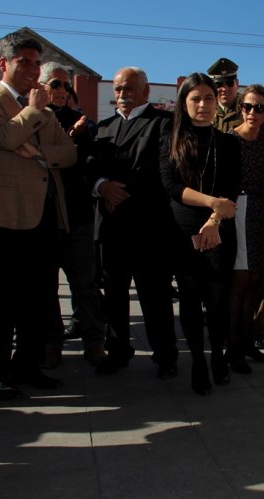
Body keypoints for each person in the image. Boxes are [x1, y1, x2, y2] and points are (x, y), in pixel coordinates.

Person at [0, 33, 76, 400]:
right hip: (0, 219)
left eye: (35, 62)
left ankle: (27, 366)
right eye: (24, 62)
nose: (32, 70)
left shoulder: (43, 111)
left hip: (43, 217)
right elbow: (7, 136)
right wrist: (30, 114)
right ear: (4, 64)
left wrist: (39, 152)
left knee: (39, 299)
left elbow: (70, 152)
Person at [87, 67, 178, 379]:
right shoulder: (104, 127)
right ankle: (118, 352)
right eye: (117, 89)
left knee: (155, 296)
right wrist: (101, 186)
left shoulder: (163, 123)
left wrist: (118, 191)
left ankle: (165, 355)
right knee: (113, 296)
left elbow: (159, 170)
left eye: (128, 89)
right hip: (112, 227)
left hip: (149, 227)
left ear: (145, 91)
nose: (122, 95)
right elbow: (90, 166)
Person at [160, 72, 240, 396]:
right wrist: (211, 204)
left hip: (220, 227)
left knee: (218, 301)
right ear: (184, 102)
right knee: (191, 300)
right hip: (182, 229)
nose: (203, 104)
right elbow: (171, 186)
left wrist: (215, 219)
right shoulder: (170, 138)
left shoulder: (229, 142)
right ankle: (197, 361)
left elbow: (232, 188)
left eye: (208, 98)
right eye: (196, 98)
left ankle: (218, 355)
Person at [39, 61, 107, 368]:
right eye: (55, 84)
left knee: (85, 282)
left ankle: (94, 341)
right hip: (43, 214)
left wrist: (77, 138)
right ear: (41, 86)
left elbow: (87, 161)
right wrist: (67, 139)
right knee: (45, 286)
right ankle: (51, 342)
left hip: (78, 212)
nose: (63, 91)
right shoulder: (32, 118)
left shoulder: (82, 122)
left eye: (67, 86)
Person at [226, 84, 264, 375]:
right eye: (247, 106)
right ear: (240, 108)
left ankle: (247, 343)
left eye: (259, 108)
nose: (252, 113)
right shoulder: (229, 138)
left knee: (259, 280)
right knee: (241, 282)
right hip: (240, 210)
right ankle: (232, 348)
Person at [208, 57, 242, 133]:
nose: (224, 88)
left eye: (229, 83)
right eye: (218, 84)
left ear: (237, 84)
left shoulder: (249, 109)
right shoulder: (207, 110)